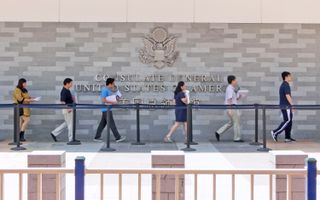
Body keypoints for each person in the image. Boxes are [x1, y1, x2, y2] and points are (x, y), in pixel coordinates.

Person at [94, 78, 126, 142]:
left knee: (102, 124)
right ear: (110, 84)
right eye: (113, 83)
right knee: (112, 123)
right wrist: (113, 102)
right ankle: (118, 137)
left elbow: (109, 99)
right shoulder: (105, 90)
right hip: (106, 109)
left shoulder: (108, 90)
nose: (114, 85)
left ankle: (97, 137)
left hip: (106, 109)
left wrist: (116, 98)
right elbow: (103, 100)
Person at [215, 75, 243, 142]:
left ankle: (218, 132)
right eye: (235, 80)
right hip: (232, 107)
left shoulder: (231, 89)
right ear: (232, 81)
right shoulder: (230, 89)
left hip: (232, 107)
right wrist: (230, 109)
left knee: (231, 122)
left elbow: (234, 99)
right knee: (236, 123)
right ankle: (237, 138)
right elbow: (229, 100)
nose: (236, 81)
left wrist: (240, 96)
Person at [50, 78, 79, 142]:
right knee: (71, 124)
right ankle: (71, 139)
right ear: (67, 83)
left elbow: (68, 100)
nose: (72, 84)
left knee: (67, 123)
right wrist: (68, 108)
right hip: (68, 109)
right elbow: (62, 101)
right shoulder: (64, 91)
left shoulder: (67, 90)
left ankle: (54, 133)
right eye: (71, 83)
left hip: (69, 108)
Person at [271, 71, 296, 142]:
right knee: (287, 121)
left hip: (285, 106)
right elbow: (287, 96)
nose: (291, 77)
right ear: (286, 77)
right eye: (290, 76)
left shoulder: (284, 85)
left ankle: (287, 137)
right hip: (286, 106)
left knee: (289, 121)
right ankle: (275, 132)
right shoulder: (286, 85)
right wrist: (293, 106)